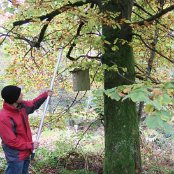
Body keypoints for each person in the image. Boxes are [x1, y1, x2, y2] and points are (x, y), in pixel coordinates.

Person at [0, 85, 53, 174]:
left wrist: (45, 94)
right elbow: (11, 142)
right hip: (15, 155)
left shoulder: (21, 107)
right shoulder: (4, 117)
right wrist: (30, 145)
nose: (22, 94)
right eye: (19, 94)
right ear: (14, 98)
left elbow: (33, 104)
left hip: (25, 151)